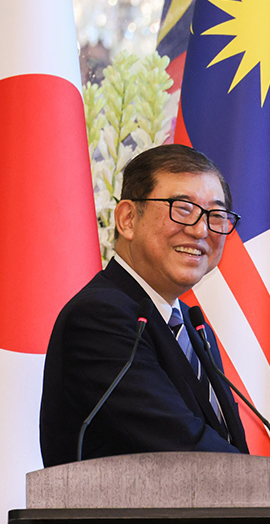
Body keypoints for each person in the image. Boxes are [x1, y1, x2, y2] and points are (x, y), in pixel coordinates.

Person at [40, 144, 248, 467]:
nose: (201, 230)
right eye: (182, 209)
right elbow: (182, 449)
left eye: (216, 215)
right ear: (127, 219)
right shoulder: (98, 318)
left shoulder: (189, 324)